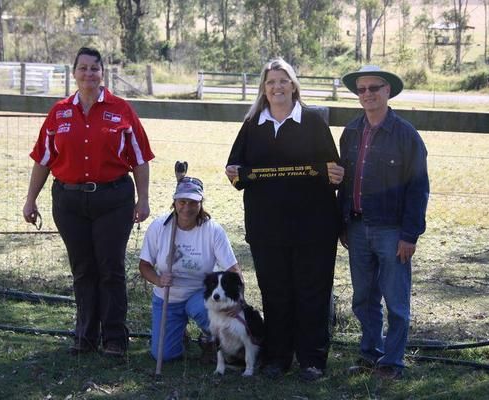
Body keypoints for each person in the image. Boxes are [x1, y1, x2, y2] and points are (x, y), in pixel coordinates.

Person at [22, 47, 154, 357]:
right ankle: (85, 336)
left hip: (113, 200)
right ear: (74, 73)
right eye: (82, 68)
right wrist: (31, 199)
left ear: (102, 73)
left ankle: (115, 339)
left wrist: (143, 199)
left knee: (110, 268)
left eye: (94, 68)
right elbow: (43, 159)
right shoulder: (59, 113)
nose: (88, 73)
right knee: (82, 269)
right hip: (69, 202)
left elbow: (140, 159)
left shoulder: (122, 110)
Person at [225, 58, 344, 382]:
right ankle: (278, 358)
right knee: (275, 292)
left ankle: (312, 359)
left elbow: (334, 173)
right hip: (267, 229)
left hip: (314, 228)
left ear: (293, 85)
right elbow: (236, 169)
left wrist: (337, 174)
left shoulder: (313, 122)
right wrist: (233, 172)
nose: (277, 87)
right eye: (271, 82)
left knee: (312, 293)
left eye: (283, 80)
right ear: (264, 89)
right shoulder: (252, 124)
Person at [338, 65, 429, 380]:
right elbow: (344, 182)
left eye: (374, 88)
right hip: (357, 227)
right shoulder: (351, 132)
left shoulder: (406, 135)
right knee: (363, 298)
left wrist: (410, 234)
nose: (367, 94)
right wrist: (342, 224)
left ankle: (392, 362)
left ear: (388, 91)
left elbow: (418, 188)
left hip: (392, 230)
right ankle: (370, 354)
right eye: (361, 89)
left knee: (396, 300)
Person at [138, 177, 242, 361]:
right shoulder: (159, 227)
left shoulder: (213, 230)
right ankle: (179, 334)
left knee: (199, 308)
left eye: (193, 202)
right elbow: (144, 266)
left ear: (201, 204)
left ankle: (211, 339)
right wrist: (158, 280)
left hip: (202, 294)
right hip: (168, 297)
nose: (187, 207)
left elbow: (233, 269)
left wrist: (238, 299)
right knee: (164, 355)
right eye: (182, 202)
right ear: (174, 202)